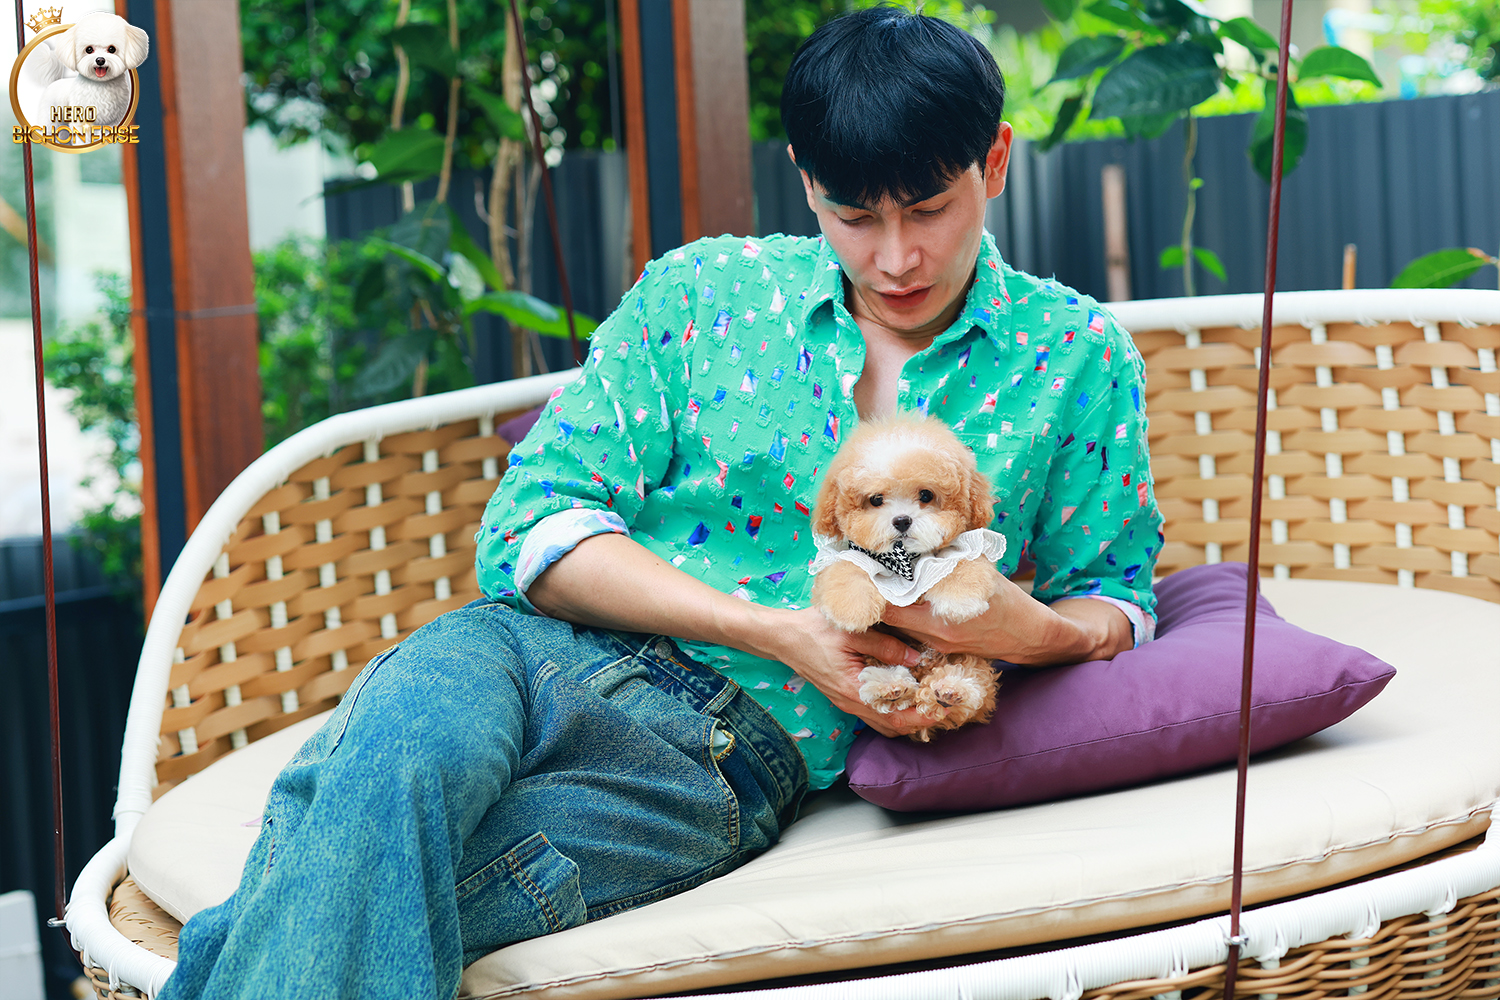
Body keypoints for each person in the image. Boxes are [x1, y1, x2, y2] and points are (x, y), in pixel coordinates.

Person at [159, 8, 1162, 999]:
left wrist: (1029, 632)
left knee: (344, 874)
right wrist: (781, 633)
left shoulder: (1074, 357)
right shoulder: (701, 295)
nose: (896, 257)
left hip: (714, 752)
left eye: (929, 209)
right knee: (399, 755)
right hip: (520, 649)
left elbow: (1116, 596)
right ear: (805, 179)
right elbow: (531, 523)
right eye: (855, 216)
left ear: (995, 162)